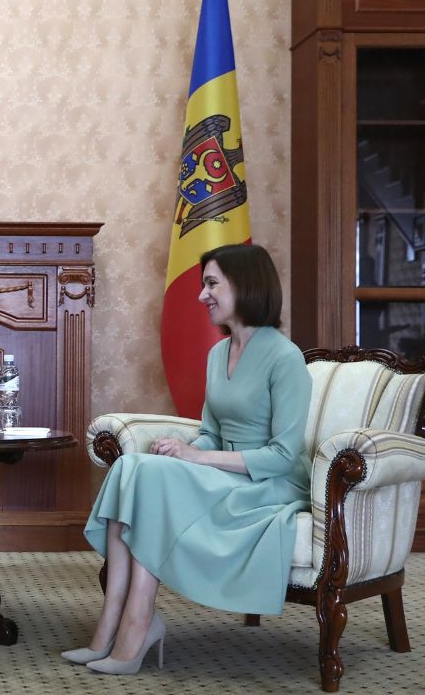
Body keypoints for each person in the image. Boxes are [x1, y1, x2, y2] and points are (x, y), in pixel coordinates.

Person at [62, 243, 312, 675]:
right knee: (132, 467)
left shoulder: (286, 359)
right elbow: (211, 431)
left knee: (153, 482)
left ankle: (136, 625)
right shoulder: (218, 353)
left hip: (268, 484)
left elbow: (284, 456)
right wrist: (180, 451)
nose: (202, 295)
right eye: (203, 285)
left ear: (245, 286)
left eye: (212, 283)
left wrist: (198, 457)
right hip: (222, 473)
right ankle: (111, 623)